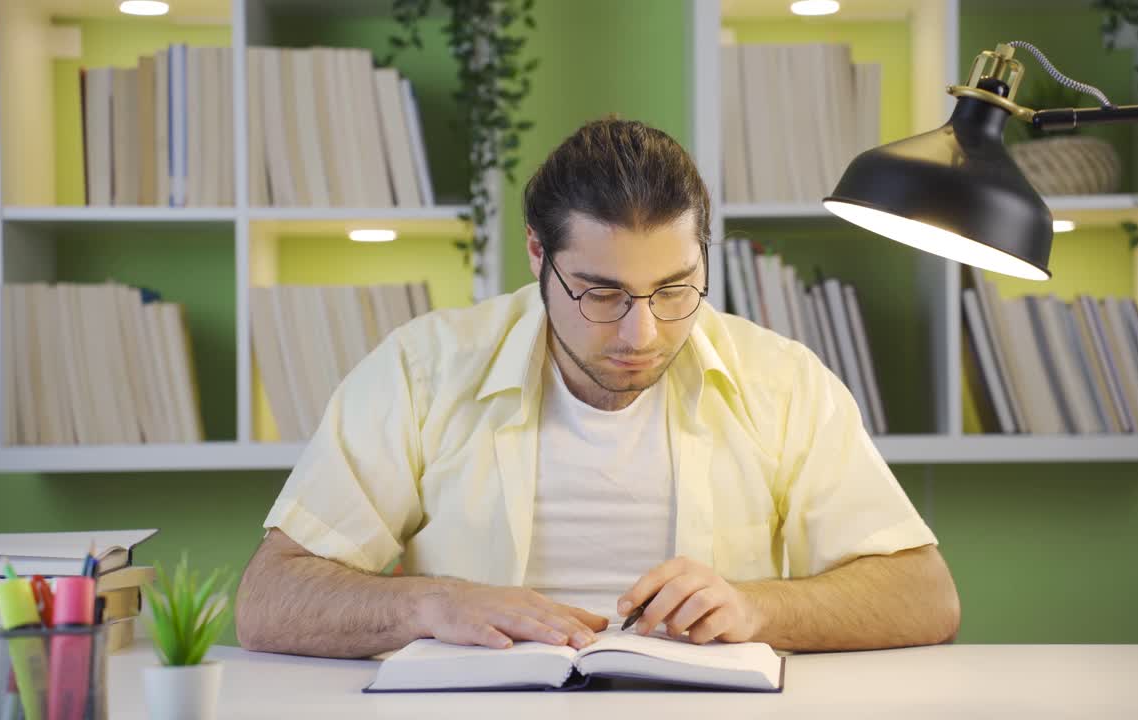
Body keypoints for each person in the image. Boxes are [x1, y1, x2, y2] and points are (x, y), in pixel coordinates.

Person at [236, 117, 960, 659]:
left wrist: (757, 608)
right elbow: (268, 602)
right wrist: (431, 603)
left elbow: (924, 597)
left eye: (675, 289)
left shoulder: (783, 380)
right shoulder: (422, 369)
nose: (641, 334)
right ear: (537, 256)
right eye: (600, 293)